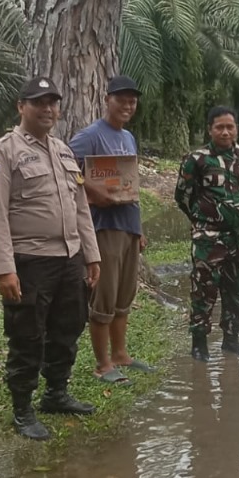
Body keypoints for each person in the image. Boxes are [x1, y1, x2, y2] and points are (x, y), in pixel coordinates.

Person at [0, 76, 101, 440]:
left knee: (67, 329)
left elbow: (81, 208)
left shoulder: (63, 151)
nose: (47, 109)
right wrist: (4, 269)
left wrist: (91, 255)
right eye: (38, 102)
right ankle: (22, 408)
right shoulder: (3, 152)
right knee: (28, 335)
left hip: (69, 258)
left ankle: (56, 393)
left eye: (52, 102)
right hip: (30, 261)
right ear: (21, 106)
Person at [69, 75, 156, 385]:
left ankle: (121, 354)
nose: (128, 105)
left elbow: (131, 187)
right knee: (104, 295)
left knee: (123, 294)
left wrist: (139, 229)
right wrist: (93, 191)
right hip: (103, 227)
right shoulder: (90, 136)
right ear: (107, 100)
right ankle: (102, 364)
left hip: (128, 227)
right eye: (121, 99)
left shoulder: (128, 138)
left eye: (132, 100)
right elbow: (67, 169)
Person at [175, 105, 239, 362]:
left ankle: (232, 341)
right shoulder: (196, 159)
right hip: (208, 237)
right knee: (203, 291)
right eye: (219, 127)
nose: (224, 132)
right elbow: (182, 196)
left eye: (229, 127)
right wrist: (202, 222)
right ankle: (199, 345)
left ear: (236, 129)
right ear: (210, 129)